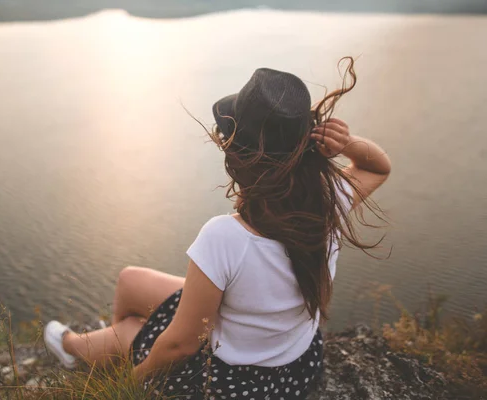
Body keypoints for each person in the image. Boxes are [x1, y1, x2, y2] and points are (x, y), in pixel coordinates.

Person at [44, 57, 391, 399]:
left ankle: (73, 349)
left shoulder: (225, 237)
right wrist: (346, 145)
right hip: (293, 361)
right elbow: (377, 168)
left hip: (232, 376)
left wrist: (131, 385)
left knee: (132, 330)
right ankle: (115, 340)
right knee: (130, 279)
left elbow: (181, 346)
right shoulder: (327, 204)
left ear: (237, 155)